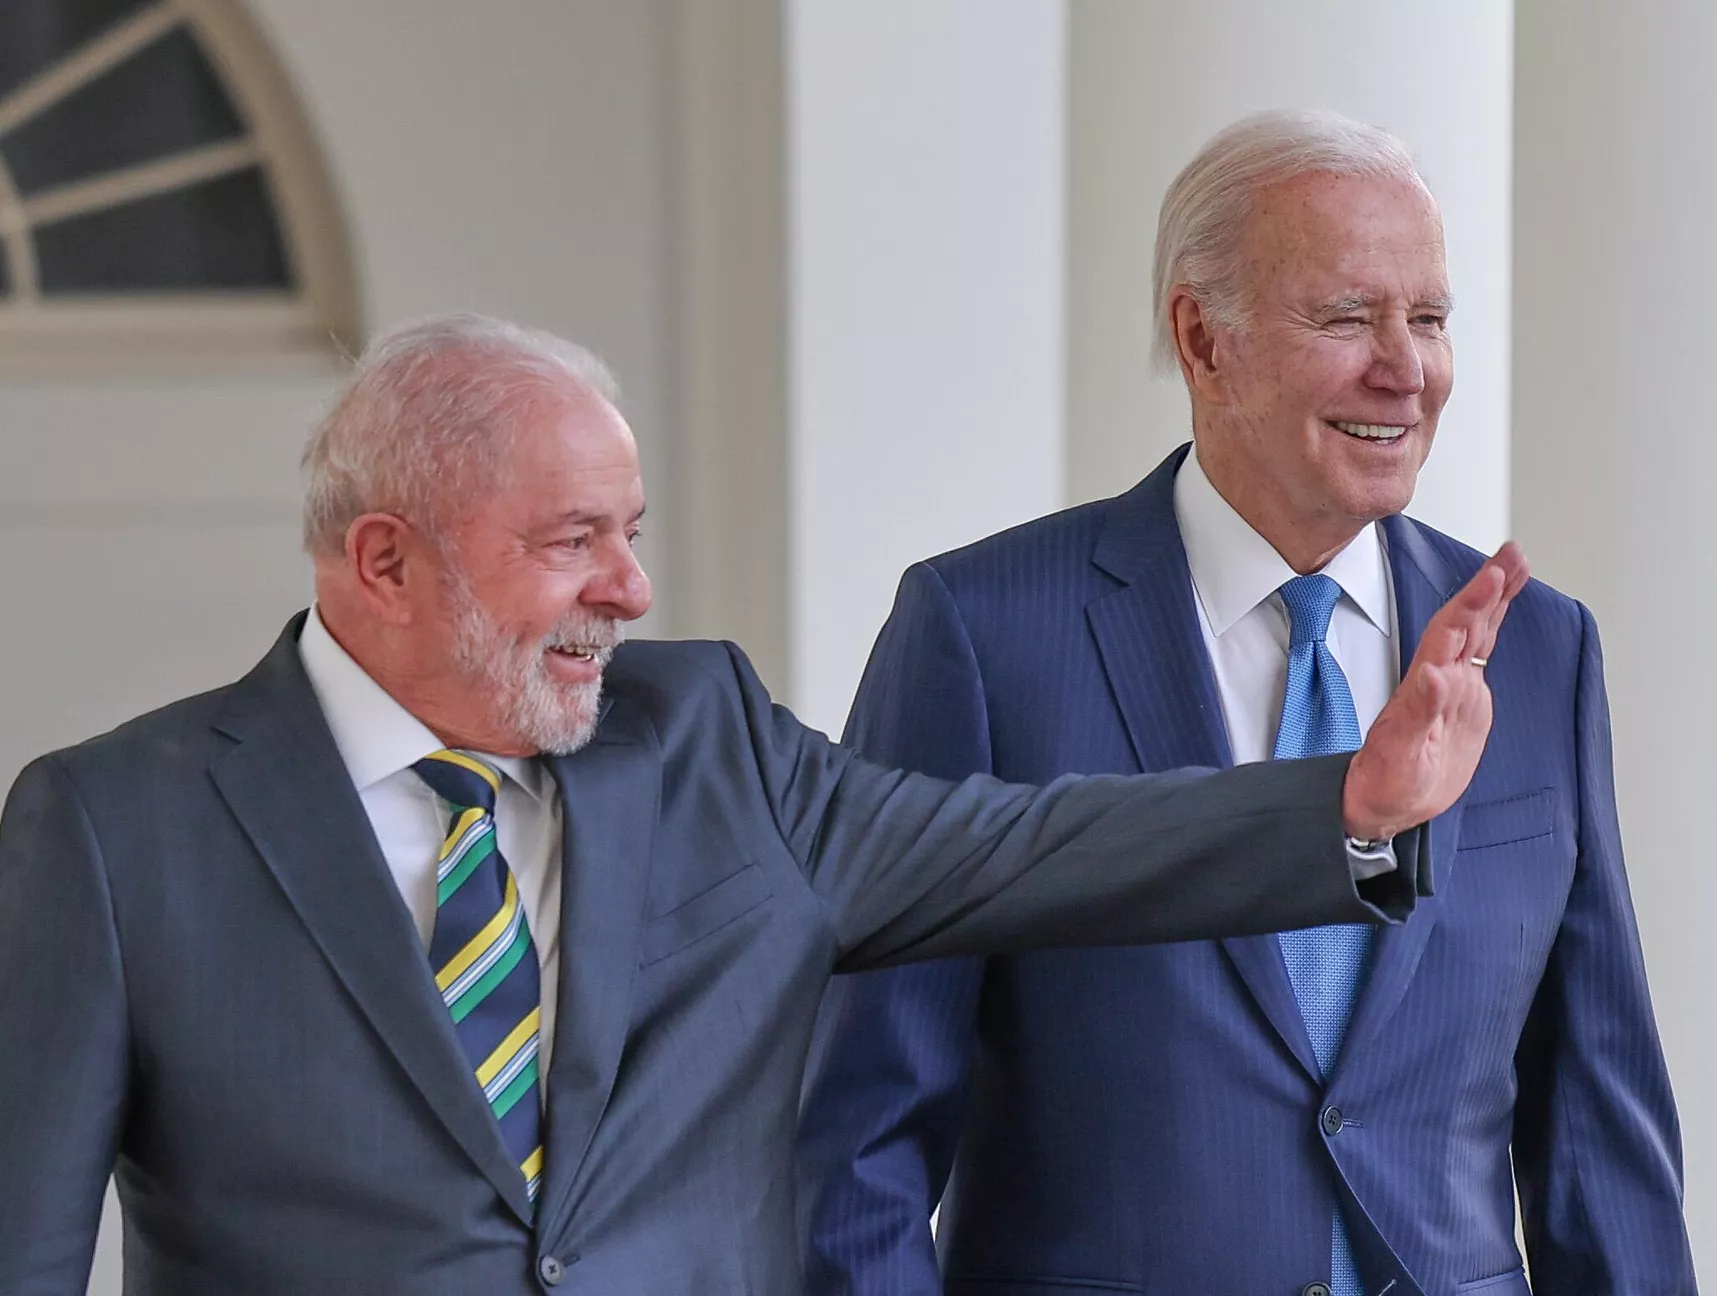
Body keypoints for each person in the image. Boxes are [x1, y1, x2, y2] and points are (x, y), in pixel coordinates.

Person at [0, 314, 1525, 1296]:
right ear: (384, 563)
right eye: (572, 542)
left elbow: (1033, 847)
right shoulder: (112, 833)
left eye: (634, 532)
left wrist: (1352, 804)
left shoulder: (704, 736)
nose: (632, 588)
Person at [799, 110, 1692, 1296]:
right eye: (1346, 316)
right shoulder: (982, 635)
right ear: (1203, 339)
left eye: (1428, 319)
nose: (1405, 367)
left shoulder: (1539, 650)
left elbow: (1600, 1136)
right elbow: (856, 1146)